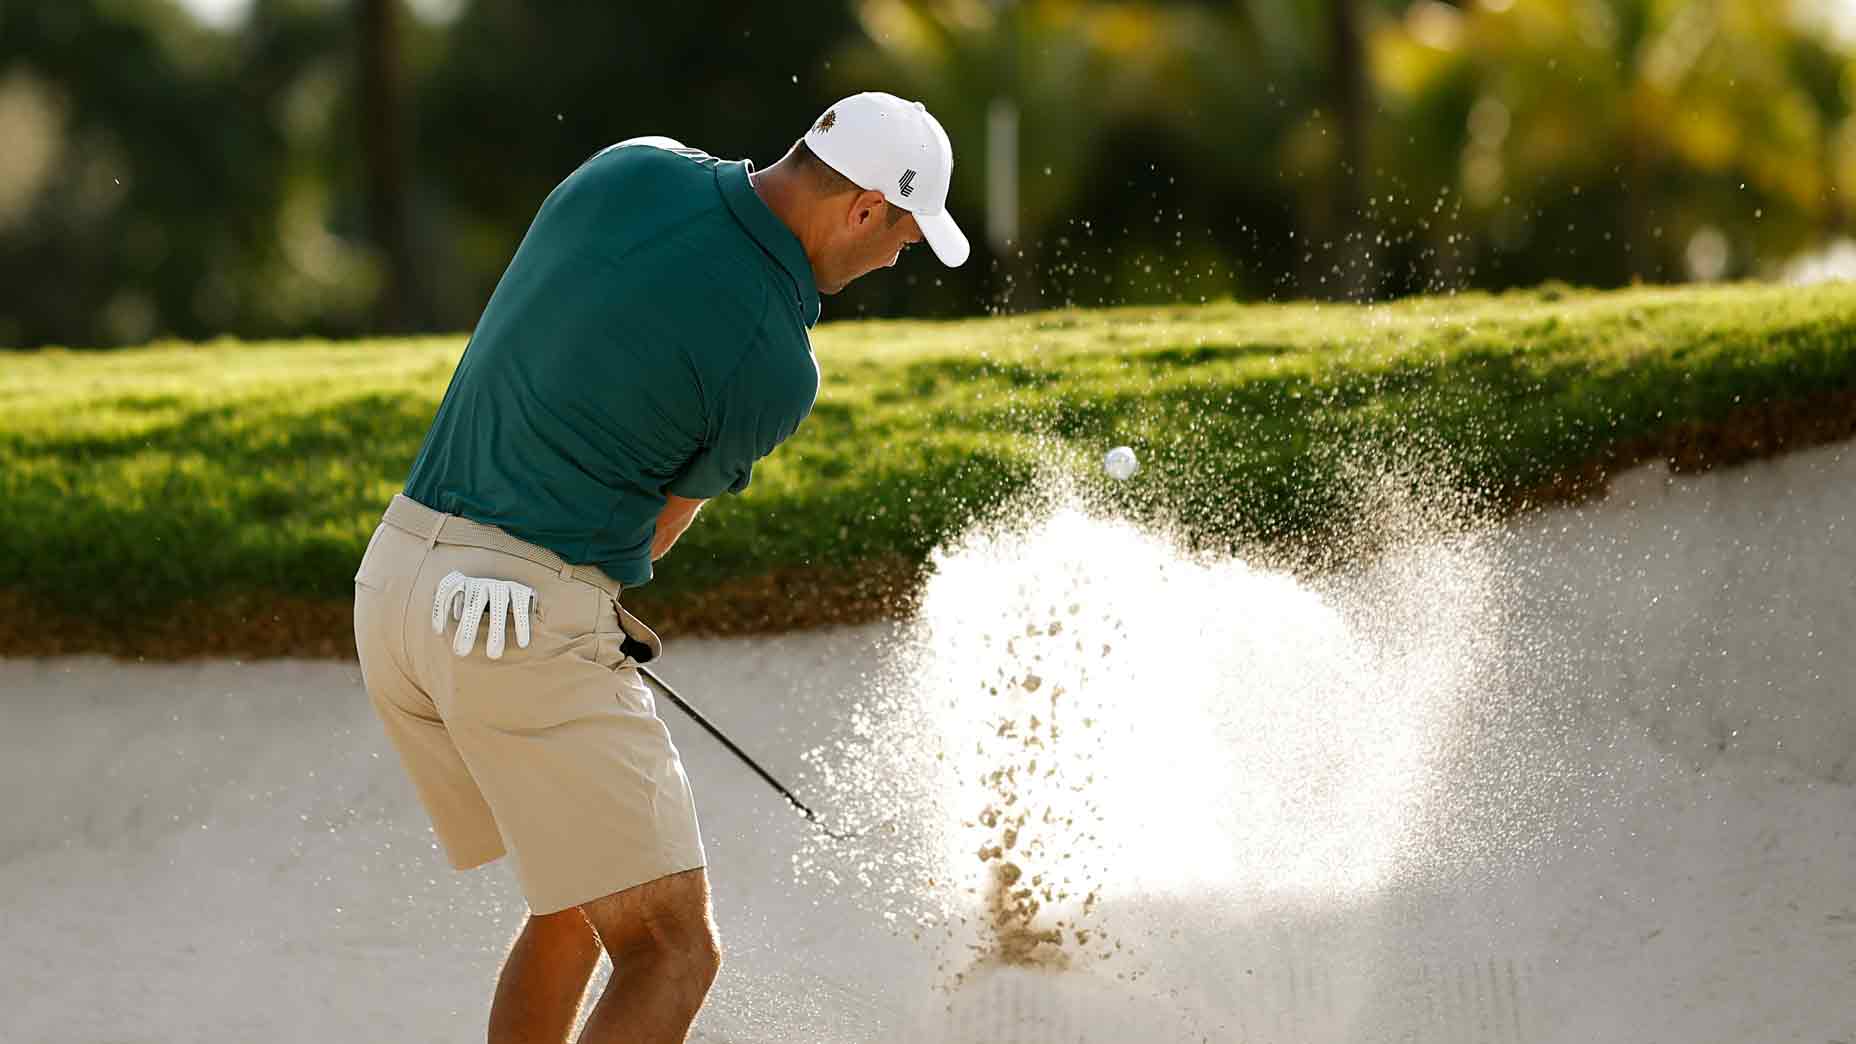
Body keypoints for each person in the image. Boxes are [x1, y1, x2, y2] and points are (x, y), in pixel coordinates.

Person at [351, 92, 967, 1043]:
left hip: (394, 584)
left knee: (578, 902)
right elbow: (654, 537)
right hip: (515, 624)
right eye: (904, 236)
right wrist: (581, 610)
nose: (898, 257)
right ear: (863, 209)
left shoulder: (630, 164)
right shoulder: (777, 361)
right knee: (676, 951)